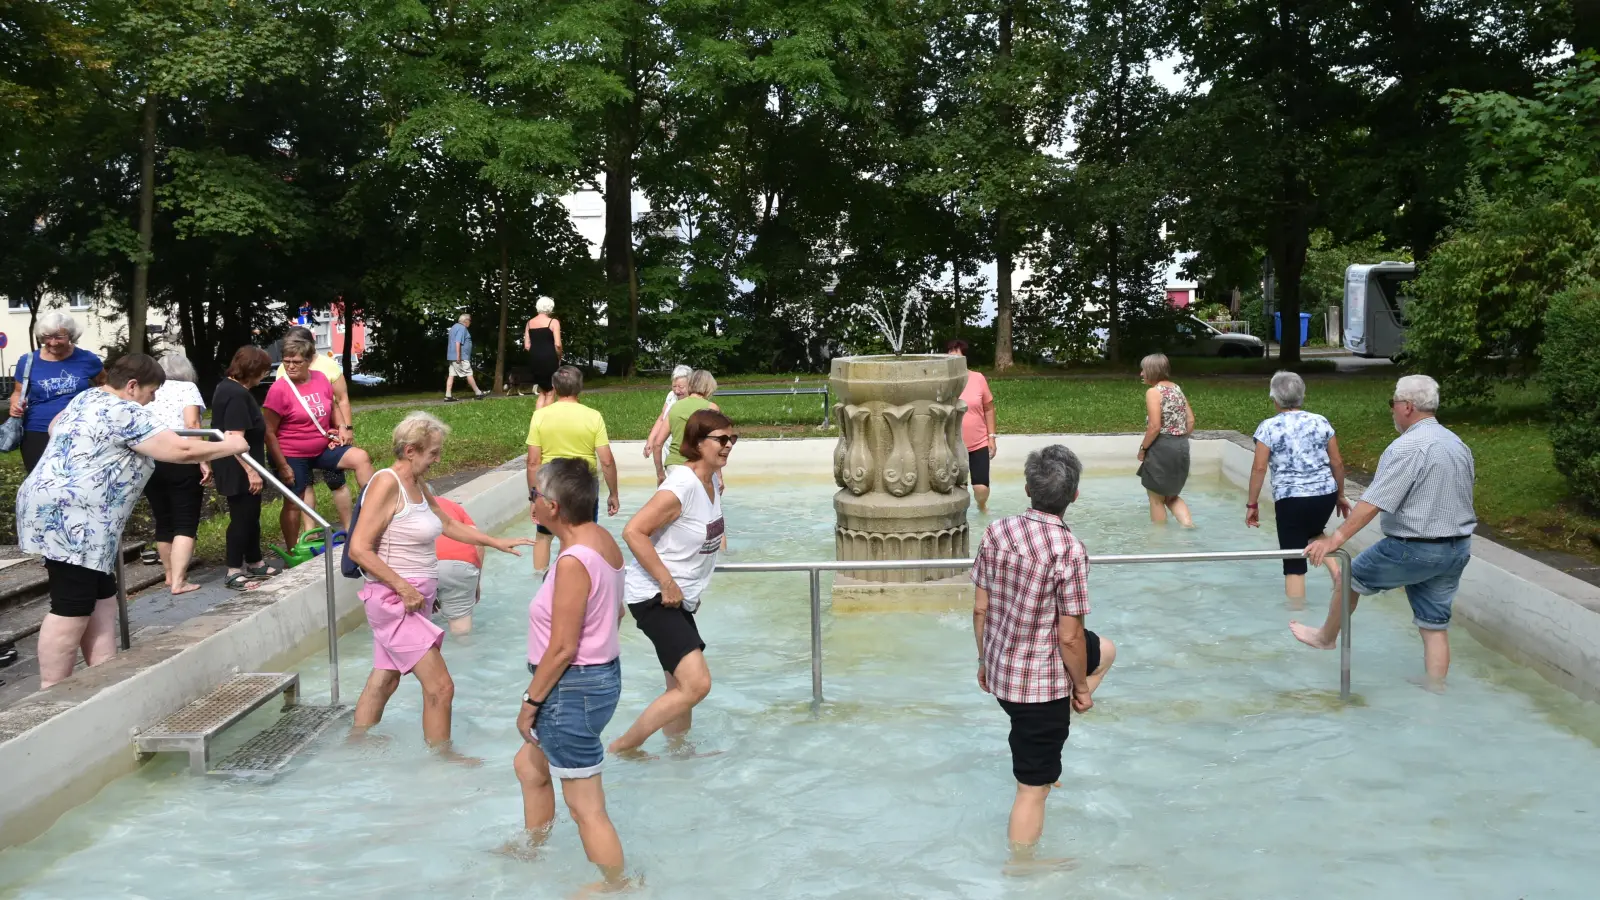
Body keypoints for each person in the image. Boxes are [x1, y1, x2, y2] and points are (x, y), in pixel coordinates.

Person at [15, 354, 247, 688]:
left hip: (58, 505)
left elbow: (54, 427)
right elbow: (179, 451)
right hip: (76, 516)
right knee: (72, 602)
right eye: (152, 392)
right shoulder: (125, 409)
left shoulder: (87, 397)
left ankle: (105, 676)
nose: (153, 399)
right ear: (133, 385)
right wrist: (231, 444)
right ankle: (51, 692)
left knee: (102, 593)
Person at [348, 412, 532, 751]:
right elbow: (359, 548)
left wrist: (493, 541)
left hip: (414, 600)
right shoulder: (386, 483)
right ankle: (440, 759)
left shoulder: (419, 485)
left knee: (385, 679)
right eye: (433, 452)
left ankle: (355, 745)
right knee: (441, 687)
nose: (438, 458)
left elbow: (446, 523)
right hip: (395, 601)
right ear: (410, 450)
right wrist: (402, 587)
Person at [970, 444, 1116, 858]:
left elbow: (981, 607)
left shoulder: (997, 531)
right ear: (1074, 495)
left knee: (1105, 649)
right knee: (1031, 791)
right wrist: (1082, 691)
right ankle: (1021, 872)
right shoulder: (1068, 549)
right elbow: (1069, 637)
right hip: (1039, 687)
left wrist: (984, 660)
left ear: (1027, 488)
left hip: (1001, 672)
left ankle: (1046, 756)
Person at [1301, 375, 1476, 689]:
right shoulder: (1457, 444)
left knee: (1347, 578)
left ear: (1407, 406)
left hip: (1415, 547)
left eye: (1393, 404)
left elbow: (1373, 503)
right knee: (1434, 625)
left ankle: (1325, 637)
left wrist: (1334, 540)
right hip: (1457, 548)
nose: (1392, 411)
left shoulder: (1408, 447)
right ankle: (1435, 688)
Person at [514, 458, 629, 888]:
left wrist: (530, 703)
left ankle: (617, 885)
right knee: (528, 766)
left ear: (553, 506)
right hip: (597, 681)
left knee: (586, 806)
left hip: (570, 691)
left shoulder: (572, 561)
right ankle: (533, 847)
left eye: (534, 497)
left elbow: (563, 647)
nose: (531, 506)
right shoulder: (601, 540)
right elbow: (614, 612)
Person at [609, 409, 735, 755]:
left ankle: (679, 754)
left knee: (679, 687)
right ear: (697, 443)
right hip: (654, 595)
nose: (728, 446)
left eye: (732, 439)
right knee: (696, 684)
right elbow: (633, 531)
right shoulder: (682, 484)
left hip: (678, 598)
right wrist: (666, 582)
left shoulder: (711, 482)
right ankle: (623, 747)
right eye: (721, 439)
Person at [1246, 371, 1352, 604]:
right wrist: (1340, 495)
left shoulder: (1268, 427)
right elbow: (1337, 462)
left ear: (1274, 398)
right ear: (1302, 395)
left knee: (1293, 561)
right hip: (1324, 494)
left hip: (1291, 498)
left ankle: (1295, 615)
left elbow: (1259, 469)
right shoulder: (1320, 421)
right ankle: (1338, 576)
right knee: (1314, 531)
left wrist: (1252, 504)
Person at [263, 333, 374, 548]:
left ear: (308, 361)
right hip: (292, 453)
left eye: (296, 362)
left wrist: (341, 427)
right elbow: (268, 432)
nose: (290, 367)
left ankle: (375, 514)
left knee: (360, 458)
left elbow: (332, 406)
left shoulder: (321, 378)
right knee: (295, 500)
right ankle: (292, 550)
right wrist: (282, 465)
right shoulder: (278, 390)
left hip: (323, 447)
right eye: (286, 362)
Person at [524, 366, 620, 574]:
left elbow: (533, 462)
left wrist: (534, 496)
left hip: (550, 483)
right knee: (580, 535)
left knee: (544, 536)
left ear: (555, 388)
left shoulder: (540, 416)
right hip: (582, 483)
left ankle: (540, 582)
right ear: (580, 388)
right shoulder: (593, 416)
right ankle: (573, 577)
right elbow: (607, 461)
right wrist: (613, 493)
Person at [212, 346, 281, 591]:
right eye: (262, 371)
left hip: (235, 462)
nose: (263, 376)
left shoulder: (227, 387)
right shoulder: (238, 395)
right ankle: (233, 569)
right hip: (239, 465)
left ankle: (255, 561)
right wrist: (251, 471)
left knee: (251, 515)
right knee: (242, 517)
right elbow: (233, 437)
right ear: (253, 371)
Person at [140, 353, 210, 595]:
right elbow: (192, 425)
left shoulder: (149, 389)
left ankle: (169, 575)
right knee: (185, 522)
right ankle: (180, 581)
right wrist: (203, 459)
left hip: (150, 459)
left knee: (163, 520)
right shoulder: (187, 388)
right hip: (181, 457)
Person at [8, 312, 104, 473]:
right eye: (47, 336)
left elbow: (104, 385)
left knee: (74, 478)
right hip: (37, 430)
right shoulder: (27, 361)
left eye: (59, 337)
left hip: (78, 430)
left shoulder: (87, 359)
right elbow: (18, 392)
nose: (52, 342)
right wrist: (14, 404)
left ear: (71, 335)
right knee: (38, 479)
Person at [1135, 353, 1194, 527]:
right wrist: (1178, 439)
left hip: (1162, 448)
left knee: (1155, 498)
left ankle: (1159, 542)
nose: (1141, 374)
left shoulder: (1154, 392)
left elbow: (1154, 426)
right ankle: (1189, 528)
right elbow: (1190, 421)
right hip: (1182, 445)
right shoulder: (1176, 388)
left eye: (1143, 370)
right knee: (1171, 496)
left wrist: (1143, 449)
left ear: (1152, 371)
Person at [948, 339, 997, 513]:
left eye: (958, 357)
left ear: (965, 359)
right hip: (952, 445)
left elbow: (989, 408)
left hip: (978, 442)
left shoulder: (978, 378)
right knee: (958, 488)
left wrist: (991, 437)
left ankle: (982, 507)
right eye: (950, 357)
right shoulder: (942, 382)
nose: (954, 361)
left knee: (981, 489)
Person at [433, 496, 483, 636]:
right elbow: (477, 542)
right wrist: (476, 583)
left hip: (420, 565)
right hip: (460, 562)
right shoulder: (453, 506)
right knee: (461, 631)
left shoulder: (402, 505)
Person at [644, 365, 694, 484]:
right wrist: (651, 439)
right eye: (674, 386)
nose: (677, 390)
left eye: (681, 387)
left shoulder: (694, 403)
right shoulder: (671, 396)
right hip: (666, 450)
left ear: (691, 385)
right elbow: (662, 418)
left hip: (682, 456)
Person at [662, 369, 720, 467]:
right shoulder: (711, 408)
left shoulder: (675, 406)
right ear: (709, 387)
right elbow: (715, 442)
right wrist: (718, 473)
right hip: (700, 463)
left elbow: (658, 443)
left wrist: (660, 472)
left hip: (675, 462)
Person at [522, 297, 562, 410]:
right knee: (550, 391)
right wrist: (559, 356)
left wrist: (537, 353)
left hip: (534, 359)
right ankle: (545, 420)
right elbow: (558, 344)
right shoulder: (553, 322)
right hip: (549, 359)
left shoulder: (529, 323)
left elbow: (527, 345)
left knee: (543, 390)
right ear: (550, 308)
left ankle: (537, 419)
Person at [444, 313, 486, 402]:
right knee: (468, 373)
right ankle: (478, 393)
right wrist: (458, 356)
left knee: (451, 375)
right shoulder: (462, 328)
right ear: (465, 321)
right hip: (460, 357)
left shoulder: (454, 327)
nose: (470, 323)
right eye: (470, 321)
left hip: (451, 356)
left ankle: (448, 395)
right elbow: (457, 342)